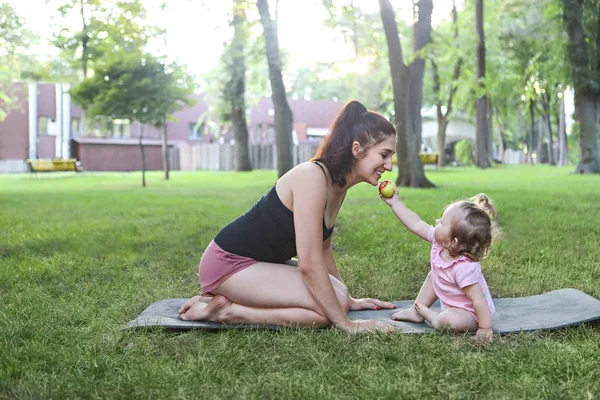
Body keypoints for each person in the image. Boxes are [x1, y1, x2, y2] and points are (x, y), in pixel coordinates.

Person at [178, 100, 397, 333]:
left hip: (260, 263)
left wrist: (348, 299)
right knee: (325, 314)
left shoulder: (338, 186)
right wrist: (347, 324)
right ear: (357, 149)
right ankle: (228, 312)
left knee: (338, 299)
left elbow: (323, 250)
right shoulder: (312, 177)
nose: (389, 166)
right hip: (228, 264)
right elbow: (310, 264)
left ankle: (218, 302)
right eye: (384, 154)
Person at [380, 191, 498, 341]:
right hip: (453, 307)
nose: (436, 221)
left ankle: (433, 318)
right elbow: (416, 224)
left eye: (442, 222)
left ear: (453, 241)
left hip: (471, 315)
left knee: (448, 321)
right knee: (433, 275)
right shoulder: (441, 242)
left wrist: (485, 328)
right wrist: (395, 203)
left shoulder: (464, 268)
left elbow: (478, 300)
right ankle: (416, 310)